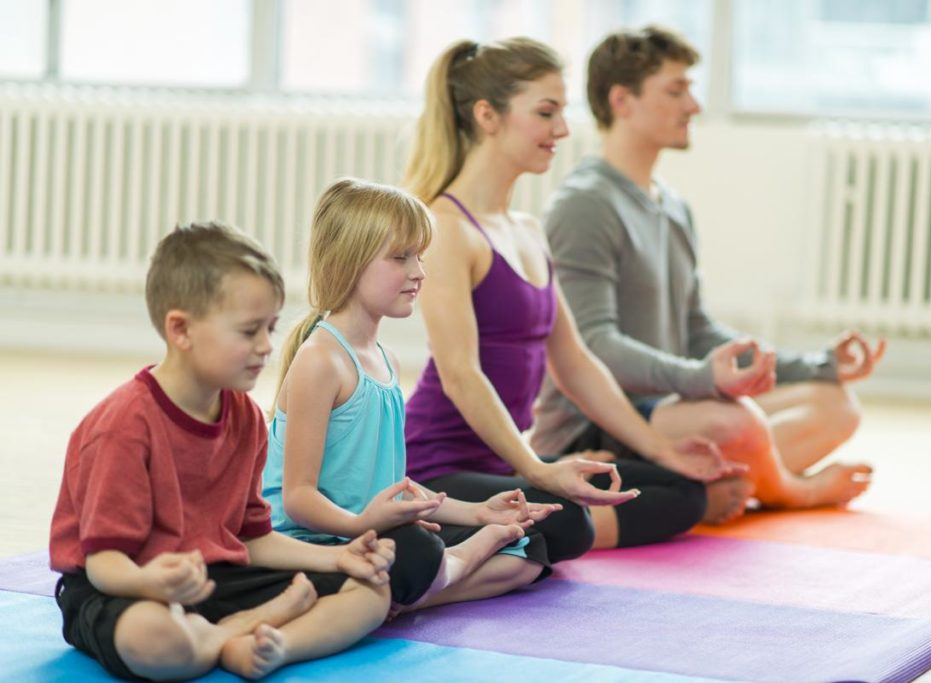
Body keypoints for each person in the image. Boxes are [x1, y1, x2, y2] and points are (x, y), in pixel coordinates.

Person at [401, 36, 748, 556]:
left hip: (504, 463)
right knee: (570, 524)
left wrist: (662, 449)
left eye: (562, 113)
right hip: (438, 467)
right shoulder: (447, 228)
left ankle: (517, 537)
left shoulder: (527, 230)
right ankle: (496, 531)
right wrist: (538, 470)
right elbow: (461, 375)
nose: (562, 130)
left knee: (682, 488)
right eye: (546, 113)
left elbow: (574, 362)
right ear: (487, 115)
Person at [532, 25, 885, 513]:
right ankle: (789, 490)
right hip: (603, 423)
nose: (693, 106)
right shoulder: (585, 204)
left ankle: (712, 487)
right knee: (734, 423)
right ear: (622, 101)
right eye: (676, 91)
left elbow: (697, 331)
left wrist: (818, 365)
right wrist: (702, 379)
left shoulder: (673, 208)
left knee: (835, 403)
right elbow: (593, 345)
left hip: (670, 407)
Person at [49, 223, 396, 681]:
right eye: (249, 331)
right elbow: (103, 564)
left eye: (270, 328)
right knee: (152, 637)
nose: (266, 347)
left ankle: (273, 647)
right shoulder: (123, 427)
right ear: (181, 330)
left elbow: (250, 539)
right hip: (121, 585)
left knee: (371, 592)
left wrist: (339, 556)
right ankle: (251, 624)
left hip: (213, 575)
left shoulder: (246, 418)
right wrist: (150, 583)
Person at [262, 178, 562, 614]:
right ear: (350, 261)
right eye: (400, 257)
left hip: (369, 536)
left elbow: (393, 487)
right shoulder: (321, 360)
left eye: (419, 256)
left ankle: (407, 595)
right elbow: (298, 499)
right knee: (416, 548)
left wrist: (477, 513)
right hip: (313, 543)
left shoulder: (385, 361)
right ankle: (442, 570)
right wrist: (363, 524)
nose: (419, 271)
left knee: (527, 556)